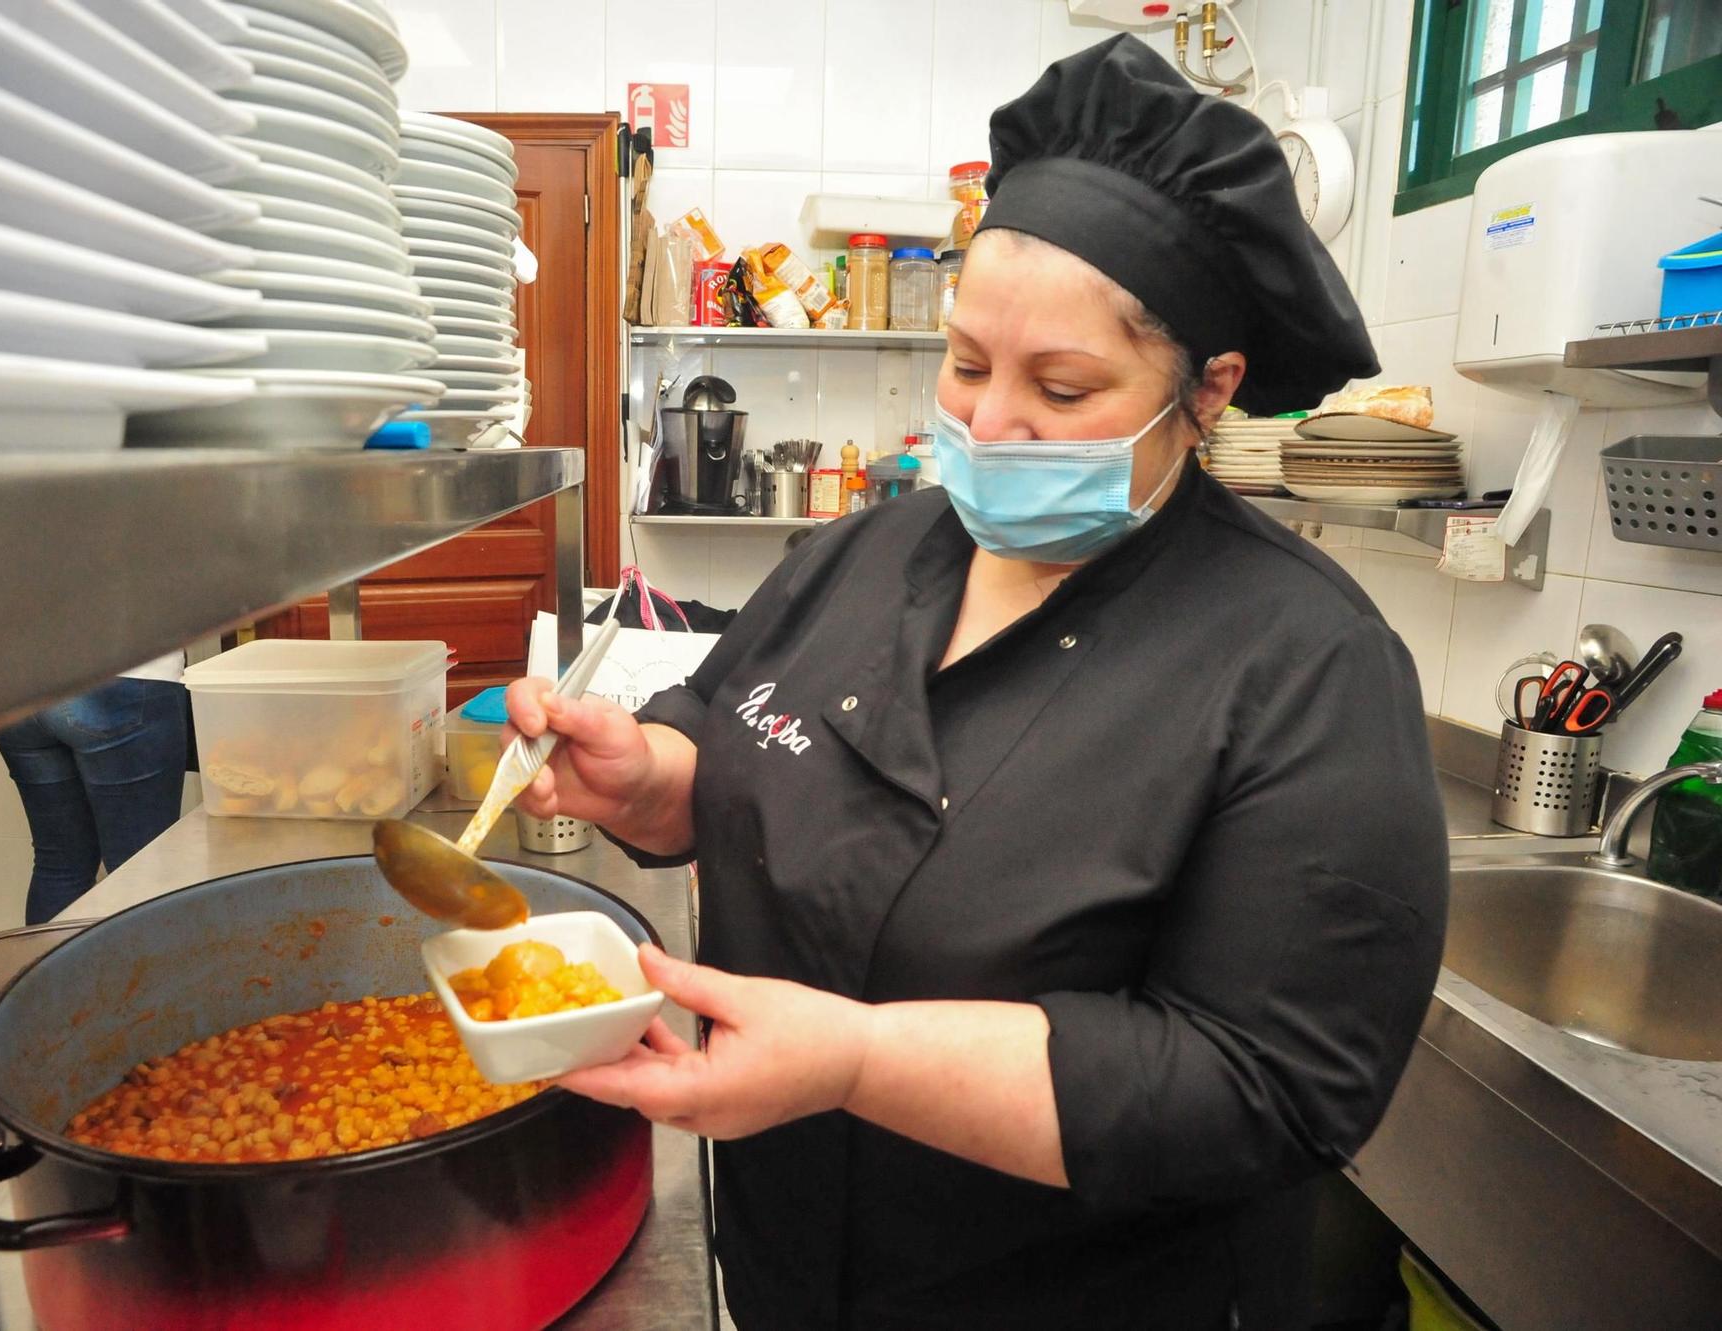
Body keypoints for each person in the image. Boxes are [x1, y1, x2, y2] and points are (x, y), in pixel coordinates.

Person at [504, 36, 1449, 1331]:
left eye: (1061, 386)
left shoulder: (1305, 663)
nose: (989, 423)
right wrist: (651, 774)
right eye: (965, 363)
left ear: (1208, 388)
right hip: (783, 1273)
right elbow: (727, 729)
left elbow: (1263, 1087)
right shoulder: (860, 551)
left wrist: (855, 1059)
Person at [0, 653, 188, 925]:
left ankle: (52, 968)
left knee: (59, 865)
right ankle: (140, 968)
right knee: (140, 871)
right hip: (124, 676)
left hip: (15, 686)